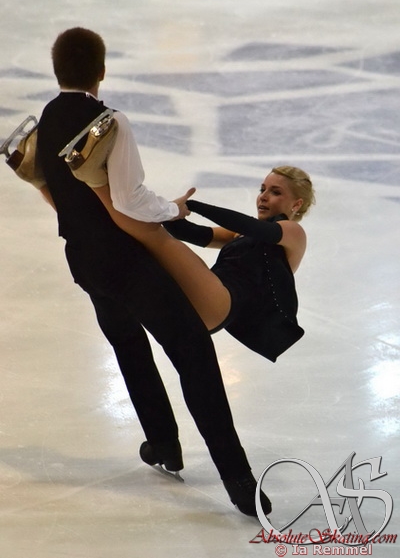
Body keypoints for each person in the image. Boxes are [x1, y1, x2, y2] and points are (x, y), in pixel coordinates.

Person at [32, 27, 272, 518]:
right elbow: (130, 200)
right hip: (125, 262)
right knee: (193, 352)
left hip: (83, 260)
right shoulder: (109, 123)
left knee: (128, 343)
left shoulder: (48, 119)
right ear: (101, 71)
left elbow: (57, 189)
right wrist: (174, 209)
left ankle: (163, 443)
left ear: (57, 72)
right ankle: (239, 479)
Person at [91, 166, 315, 363]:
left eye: (275, 192)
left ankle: (96, 180)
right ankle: (97, 183)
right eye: (262, 189)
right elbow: (193, 234)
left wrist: (194, 205)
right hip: (211, 294)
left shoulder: (293, 233)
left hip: (220, 304)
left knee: (152, 235)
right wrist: (175, 213)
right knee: (145, 241)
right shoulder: (241, 233)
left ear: (297, 204)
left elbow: (255, 228)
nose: (263, 197)